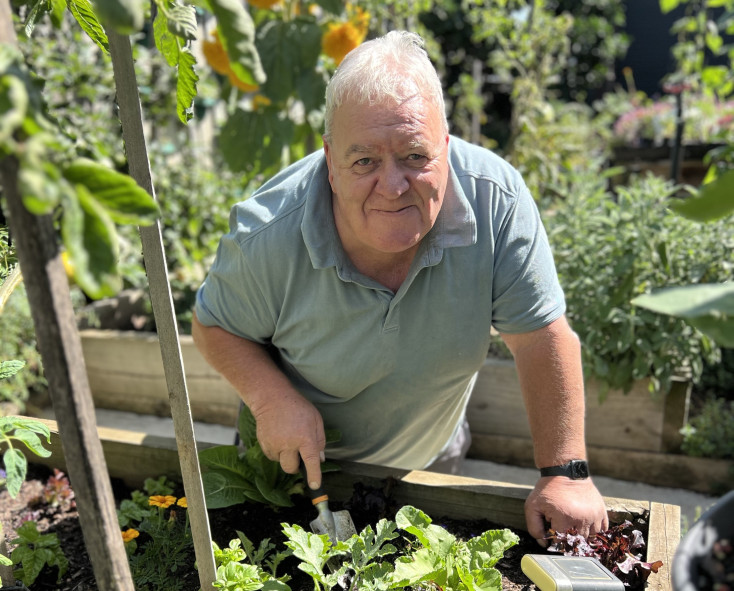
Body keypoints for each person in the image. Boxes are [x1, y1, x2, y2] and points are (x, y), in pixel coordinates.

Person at [192, 30, 609, 545]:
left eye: (415, 156)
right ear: (329, 161)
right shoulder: (268, 235)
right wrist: (271, 398)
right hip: (298, 469)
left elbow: (542, 336)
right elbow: (212, 326)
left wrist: (565, 475)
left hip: (430, 458)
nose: (392, 186)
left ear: (447, 148)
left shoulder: (496, 201)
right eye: (363, 161)